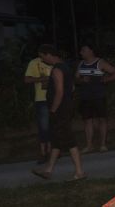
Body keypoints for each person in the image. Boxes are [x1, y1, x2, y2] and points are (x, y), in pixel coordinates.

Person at [32, 44, 85, 180]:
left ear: (48, 55)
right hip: (66, 106)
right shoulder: (66, 67)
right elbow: (72, 88)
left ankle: (79, 172)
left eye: (43, 57)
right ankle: (48, 170)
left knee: (68, 138)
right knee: (57, 139)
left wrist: (53, 109)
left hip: (60, 109)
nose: (43, 60)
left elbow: (59, 91)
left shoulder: (57, 69)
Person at [75, 43, 115, 152]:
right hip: (85, 97)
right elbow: (76, 78)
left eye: (84, 50)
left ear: (91, 51)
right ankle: (89, 145)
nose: (81, 53)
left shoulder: (100, 63)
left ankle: (103, 145)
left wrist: (105, 80)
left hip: (99, 95)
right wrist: (82, 80)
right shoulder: (81, 64)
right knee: (87, 121)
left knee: (102, 119)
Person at [24, 48, 52, 163]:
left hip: (55, 97)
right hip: (42, 98)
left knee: (54, 124)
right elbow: (27, 79)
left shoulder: (54, 62)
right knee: (43, 126)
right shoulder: (34, 63)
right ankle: (43, 152)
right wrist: (42, 78)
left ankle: (52, 151)